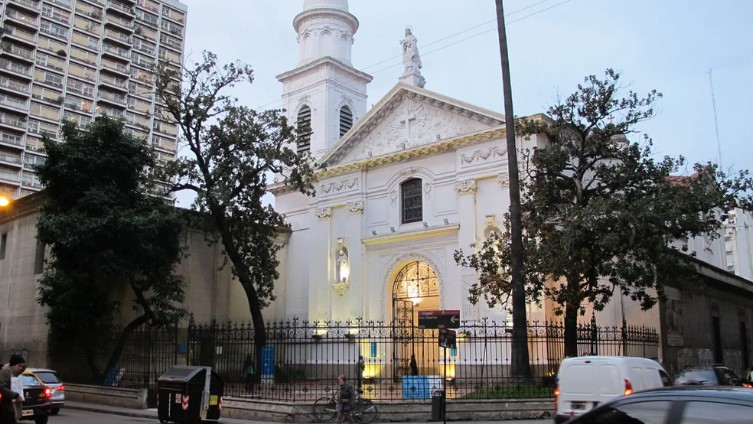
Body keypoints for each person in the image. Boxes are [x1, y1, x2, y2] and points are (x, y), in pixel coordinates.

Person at [0, 354, 27, 424]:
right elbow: (1, 387)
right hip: (5, 406)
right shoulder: (5, 371)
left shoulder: (16, 374)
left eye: (22, 366)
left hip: (12, 405)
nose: (21, 368)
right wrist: (15, 395)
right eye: (19, 366)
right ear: (13, 365)